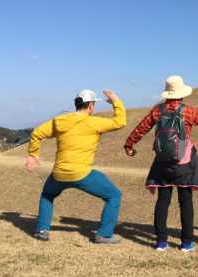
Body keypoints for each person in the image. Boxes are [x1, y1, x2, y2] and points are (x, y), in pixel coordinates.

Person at [123, 75, 198, 252]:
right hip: (184, 161)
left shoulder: (157, 110)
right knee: (185, 201)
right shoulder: (188, 111)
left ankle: (161, 242)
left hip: (162, 162)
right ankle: (186, 243)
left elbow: (141, 128)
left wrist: (129, 145)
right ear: (182, 93)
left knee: (163, 200)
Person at [25, 89, 126, 243]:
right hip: (82, 174)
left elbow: (37, 133)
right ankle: (104, 235)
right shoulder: (94, 123)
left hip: (59, 174)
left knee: (47, 195)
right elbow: (120, 122)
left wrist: (33, 153)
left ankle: (42, 230)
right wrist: (116, 102)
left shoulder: (60, 121)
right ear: (91, 106)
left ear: (76, 104)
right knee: (114, 195)